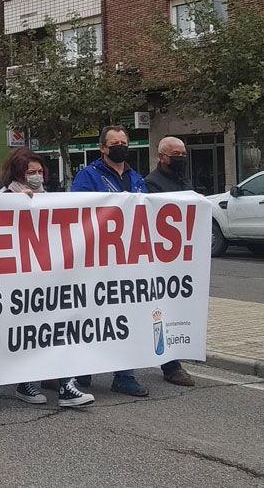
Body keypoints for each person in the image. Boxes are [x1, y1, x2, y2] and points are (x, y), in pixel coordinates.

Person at [0, 148, 96, 408]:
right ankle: (26, 383)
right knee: (28, 334)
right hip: (20, 282)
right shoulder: (2, 198)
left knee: (60, 329)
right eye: (30, 172)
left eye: (40, 171)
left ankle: (67, 385)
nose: (37, 176)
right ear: (17, 173)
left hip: (51, 279)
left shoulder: (50, 198)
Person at [71, 125, 150, 397]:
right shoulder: (88, 176)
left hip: (128, 259)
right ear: (103, 148)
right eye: (115, 143)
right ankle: (83, 365)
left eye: (124, 142)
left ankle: (124, 374)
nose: (121, 146)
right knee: (91, 315)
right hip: (96, 260)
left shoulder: (136, 177)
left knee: (125, 316)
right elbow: (76, 212)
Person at [143, 136, 197, 387]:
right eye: (176, 154)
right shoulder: (151, 183)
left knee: (175, 312)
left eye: (184, 153)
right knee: (159, 312)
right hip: (159, 259)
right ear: (162, 156)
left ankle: (172, 360)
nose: (181, 158)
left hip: (180, 259)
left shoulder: (183, 180)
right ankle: (170, 365)